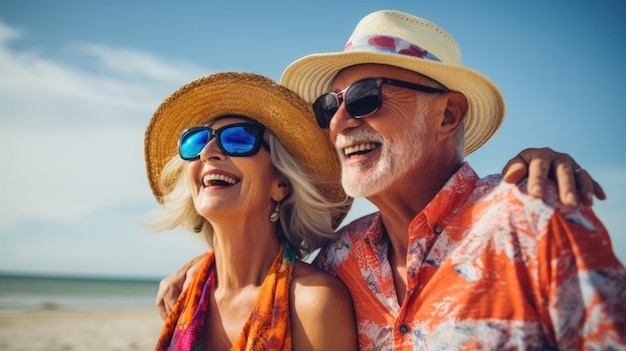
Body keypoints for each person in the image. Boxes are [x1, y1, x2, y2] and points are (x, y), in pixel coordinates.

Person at [156, 10, 622, 350]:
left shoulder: (536, 221)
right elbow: (266, 260)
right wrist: (203, 265)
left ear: (448, 114)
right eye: (328, 106)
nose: (338, 122)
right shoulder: (341, 258)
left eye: (364, 98)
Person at [144, 72, 358, 350]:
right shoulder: (184, 293)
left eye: (238, 140)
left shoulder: (314, 303)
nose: (208, 152)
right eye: (196, 141)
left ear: (281, 184)